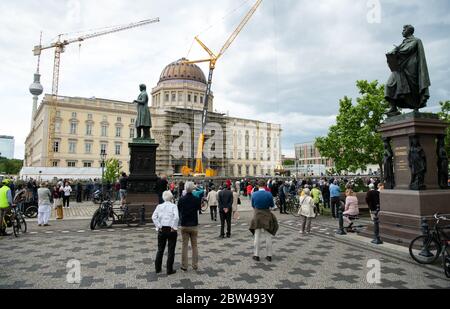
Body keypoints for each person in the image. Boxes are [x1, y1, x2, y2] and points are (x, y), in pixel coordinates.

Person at [249, 180, 279, 262]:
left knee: (257, 236)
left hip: (257, 215)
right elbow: (272, 205)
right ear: (265, 185)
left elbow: (253, 205)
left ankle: (256, 255)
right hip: (267, 215)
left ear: (258, 186)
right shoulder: (268, 194)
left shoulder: (254, 194)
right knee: (268, 236)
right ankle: (269, 255)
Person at [152, 190, 179, 276]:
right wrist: (173, 227)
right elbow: (176, 217)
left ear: (163, 197)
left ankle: (157, 268)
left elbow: (154, 217)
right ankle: (169, 269)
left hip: (162, 229)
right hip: (171, 230)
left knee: (160, 249)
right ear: (171, 197)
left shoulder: (159, 206)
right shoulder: (174, 206)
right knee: (171, 250)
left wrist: (158, 226)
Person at [177, 182, 202, 272]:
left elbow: (179, 210)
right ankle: (195, 265)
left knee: (184, 246)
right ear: (193, 189)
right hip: (194, 224)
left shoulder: (181, 199)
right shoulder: (196, 199)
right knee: (194, 245)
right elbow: (199, 208)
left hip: (184, 224)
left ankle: (184, 265)